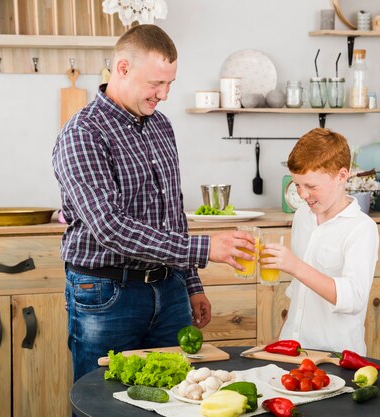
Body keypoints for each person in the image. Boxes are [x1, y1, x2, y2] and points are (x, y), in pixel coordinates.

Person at [51, 24, 255, 382]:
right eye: (155, 83)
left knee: (178, 395)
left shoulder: (161, 126)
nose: (164, 94)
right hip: (108, 294)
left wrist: (192, 285)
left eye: (170, 83)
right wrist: (203, 249)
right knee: (105, 401)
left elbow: (171, 213)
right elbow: (110, 228)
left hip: (169, 289)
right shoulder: (83, 133)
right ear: (123, 68)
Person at [259, 128, 379, 355]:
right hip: (294, 350)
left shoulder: (361, 228)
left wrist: (295, 265)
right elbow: (299, 294)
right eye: (297, 185)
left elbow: (353, 299)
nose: (303, 195)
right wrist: (281, 338)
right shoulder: (302, 217)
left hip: (335, 357)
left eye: (311, 186)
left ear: (342, 176)